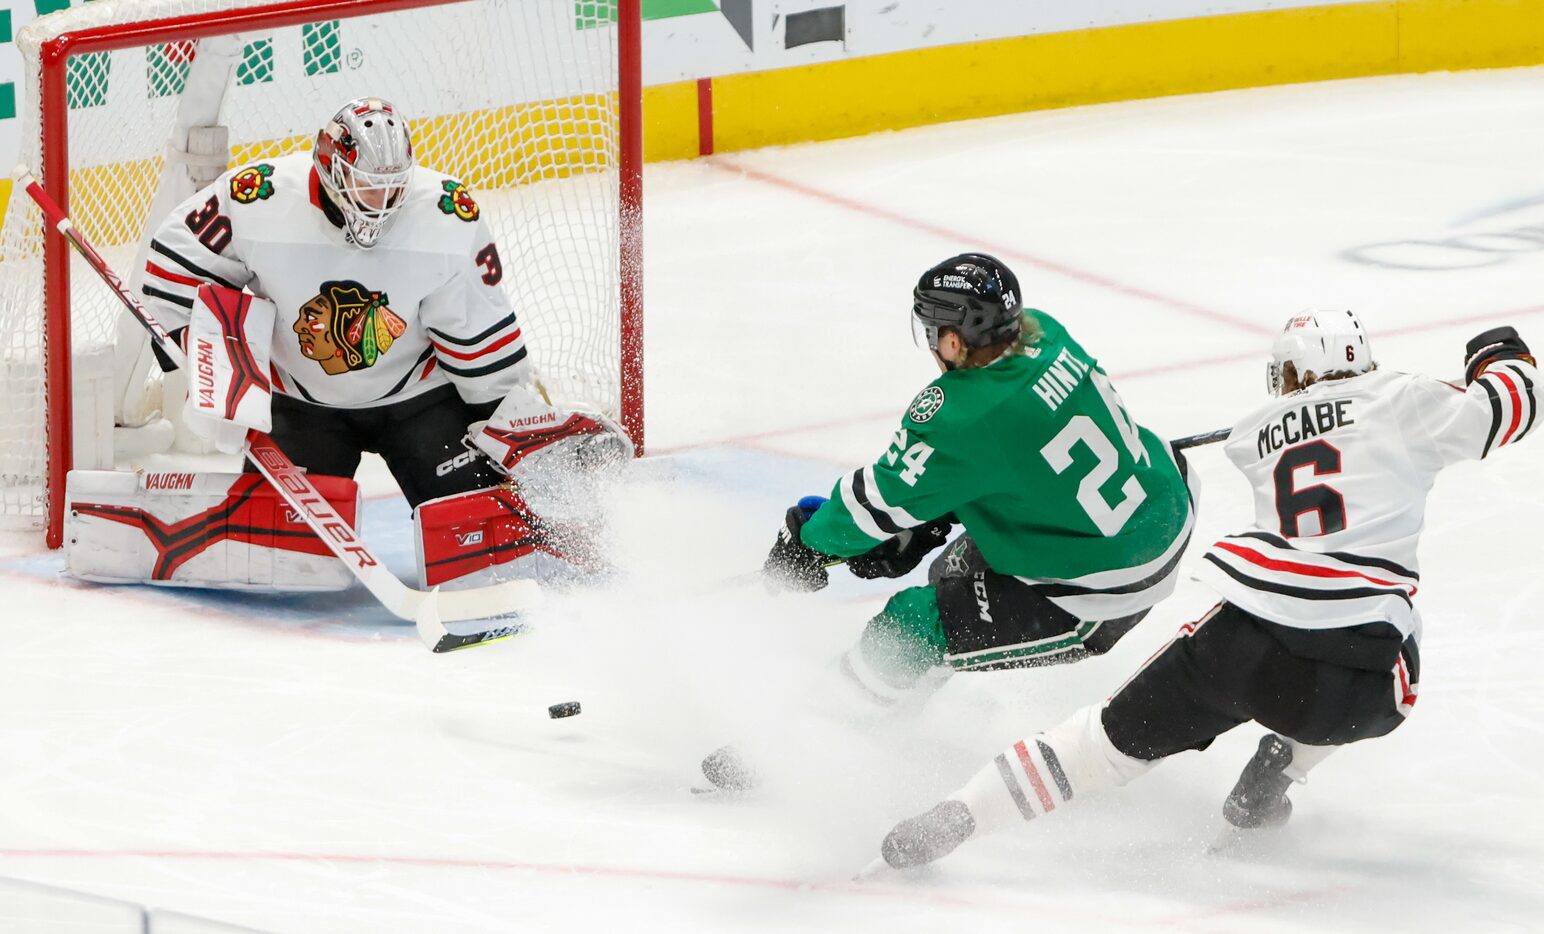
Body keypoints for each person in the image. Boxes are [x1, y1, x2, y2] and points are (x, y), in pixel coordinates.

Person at [874, 311, 1537, 870]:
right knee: (1399, 621)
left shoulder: (1253, 438)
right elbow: (1514, 404)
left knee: (1094, 749)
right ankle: (1281, 767)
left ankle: (961, 813)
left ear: (1290, 377)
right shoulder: (1402, 400)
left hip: (1243, 648)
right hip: (1361, 688)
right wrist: (1496, 353)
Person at [702, 253, 1196, 791]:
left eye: (935, 330)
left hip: (1100, 592)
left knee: (913, 624)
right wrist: (937, 515)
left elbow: (869, 509)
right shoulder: (1044, 332)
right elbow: (1010, 453)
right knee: (949, 575)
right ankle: (885, 711)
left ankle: (804, 747)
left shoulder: (961, 415)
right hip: (1161, 505)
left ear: (955, 341)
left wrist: (806, 543)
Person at [136, 97, 624, 585]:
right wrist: (203, 354)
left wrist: (509, 426)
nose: (381, 201)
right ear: (329, 170)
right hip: (302, 407)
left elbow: (480, 339)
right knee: (278, 564)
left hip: (420, 404)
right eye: (367, 185)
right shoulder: (258, 200)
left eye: (392, 187)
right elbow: (174, 267)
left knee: (483, 551)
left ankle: (555, 527)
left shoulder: (446, 215)